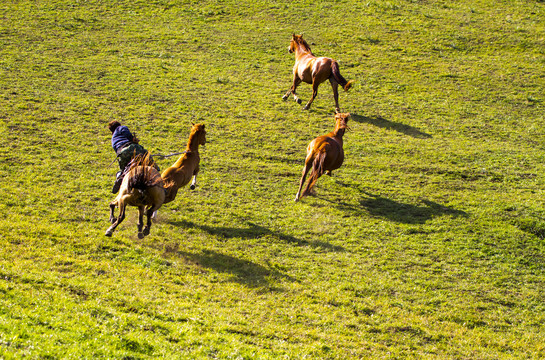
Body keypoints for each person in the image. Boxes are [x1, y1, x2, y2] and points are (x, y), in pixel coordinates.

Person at [108, 120, 159, 193]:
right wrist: (132, 139)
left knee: (124, 169)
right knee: (150, 162)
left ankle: (120, 178)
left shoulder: (113, 139)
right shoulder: (120, 128)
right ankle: (159, 178)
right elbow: (125, 131)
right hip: (132, 148)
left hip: (122, 153)